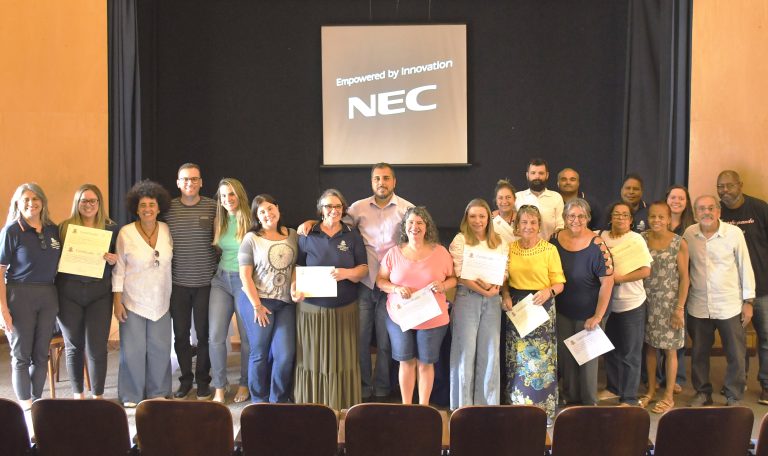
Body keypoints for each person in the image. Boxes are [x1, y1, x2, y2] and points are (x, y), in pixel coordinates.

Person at [299, 163, 413, 400]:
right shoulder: (358, 208)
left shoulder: (407, 209)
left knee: (385, 342)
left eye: (386, 178)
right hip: (364, 284)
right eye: (377, 178)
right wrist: (310, 222)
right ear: (371, 182)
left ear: (394, 181)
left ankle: (382, 388)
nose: (381, 182)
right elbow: (333, 217)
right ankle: (362, 387)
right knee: (360, 340)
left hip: (391, 286)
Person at [293, 189, 368, 409]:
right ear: (321, 209)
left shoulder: (352, 235)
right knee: (312, 358)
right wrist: (294, 288)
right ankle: (312, 403)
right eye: (328, 206)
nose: (333, 210)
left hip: (344, 309)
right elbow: (297, 266)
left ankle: (341, 403)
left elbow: (363, 269)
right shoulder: (307, 233)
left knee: (342, 359)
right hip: (311, 310)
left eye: (337, 206)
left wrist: (347, 273)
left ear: (343, 209)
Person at [377, 206, 455, 405]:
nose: (415, 226)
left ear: (427, 226)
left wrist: (443, 285)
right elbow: (380, 281)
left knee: (425, 363)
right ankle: (407, 407)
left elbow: (454, 279)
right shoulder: (394, 253)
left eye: (420, 222)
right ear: (405, 226)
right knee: (406, 361)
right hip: (400, 318)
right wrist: (395, 288)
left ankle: (423, 408)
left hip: (432, 318)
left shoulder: (441, 252)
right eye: (410, 222)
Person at [685, 195, 755, 406]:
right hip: (698, 305)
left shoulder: (734, 233)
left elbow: (745, 265)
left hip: (729, 305)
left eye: (711, 208)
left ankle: (733, 394)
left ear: (718, 211)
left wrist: (748, 302)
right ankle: (702, 392)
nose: (706, 212)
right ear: (695, 213)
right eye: (701, 208)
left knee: (736, 353)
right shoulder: (689, 234)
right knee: (699, 353)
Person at [501, 205, 565, 424]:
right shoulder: (509, 248)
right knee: (517, 360)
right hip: (516, 307)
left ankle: (542, 411)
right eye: (524, 222)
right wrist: (505, 295)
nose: (528, 226)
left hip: (541, 307)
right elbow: (504, 280)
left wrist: (549, 291)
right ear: (517, 225)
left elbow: (559, 283)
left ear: (539, 225)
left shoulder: (549, 249)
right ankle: (517, 406)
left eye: (533, 222)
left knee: (540, 362)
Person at [112, 180, 173, 407]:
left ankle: (159, 391)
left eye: (152, 204)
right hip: (133, 301)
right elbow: (118, 270)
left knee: (160, 349)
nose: (148, 209)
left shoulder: (166, 230)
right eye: (143, 205)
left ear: (159, 207)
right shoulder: (126, 233)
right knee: (133, 351)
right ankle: (131, 395)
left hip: (161, 301)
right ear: (136, 209)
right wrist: (117, 301)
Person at [0, 183, 61, 409]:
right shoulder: (11, 231)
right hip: (20, 295)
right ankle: (26, 407)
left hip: (48, 295)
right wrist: (3, 310)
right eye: (25, 199)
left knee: (41, 354)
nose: (31, 203)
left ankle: (37, 402)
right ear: (17, 203)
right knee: (21, 355)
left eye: (36, 199)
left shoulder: (53, 229)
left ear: (43, 202)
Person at [57, 184, 118, 399]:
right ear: (77, 203)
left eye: (93, 201)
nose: (89, 205)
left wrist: (114, 259)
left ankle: (98, 396)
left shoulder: (111, 229)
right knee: (73, 346)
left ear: (99, 203)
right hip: (68, 293)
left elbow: (120, 261)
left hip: (99, 294)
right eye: (84, 201)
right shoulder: (64, 228)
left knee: (97, 347)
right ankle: (78, 395)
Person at [551, 199, 613, 406]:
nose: (575, 220)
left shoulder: (598, 245)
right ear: (564, 218)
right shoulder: (554, 239)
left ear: (588, 218)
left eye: (581, 216)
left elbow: (608, 282)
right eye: (571, 216)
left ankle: (589, 406)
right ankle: (571, 402)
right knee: (567, 359)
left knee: (587, 362)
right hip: (563, 311)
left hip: (590, 313)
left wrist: (598, 316)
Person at [164, 163, 218, 400]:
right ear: (178, 183)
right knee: (181, 335)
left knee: (205, 335)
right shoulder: (168, 209)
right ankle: (185, 380)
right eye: (185, 179)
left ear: (201, 182)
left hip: (206, 283)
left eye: (194, 179)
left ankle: (203, 381)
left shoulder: (213, 207)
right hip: (178, 284)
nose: (190, 183)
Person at [448, 199, 508, 408]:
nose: (477, 220)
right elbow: (459, 273)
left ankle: (486, 406)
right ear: (466, 218)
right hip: (467, 298)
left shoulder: (499, 241)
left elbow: (505, 269)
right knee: (465, 352)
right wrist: (484, 290)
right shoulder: (460, 240)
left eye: (482, 216)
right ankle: (462, 407)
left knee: (490, 352)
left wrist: (495, 286)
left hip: (492, 301)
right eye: (472, 216)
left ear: (489, 218)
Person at [238, 194, 298, 403]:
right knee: (260, 353)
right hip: (258, 301)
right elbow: (245, 276)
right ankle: (259, 401)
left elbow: (296, 266)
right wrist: (257, 305)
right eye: (261, 212)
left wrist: (294, 285)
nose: (267, 214)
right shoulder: (251, 238)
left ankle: (277, 401)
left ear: (278, 209)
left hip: (285, 304)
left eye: (270, 208)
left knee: (285, 355)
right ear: (257, 216)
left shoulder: (292, 234)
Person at [717, 170, 768, 404]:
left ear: (741, 185)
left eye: (729, 185)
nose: (725, 190)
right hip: (732, 291)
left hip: (763, 289)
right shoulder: (716, 212)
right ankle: (739, 380)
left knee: (766, 339)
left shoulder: (759, 208)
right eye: (720, 186)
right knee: (736, 341)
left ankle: (766, 384)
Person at [600, 201, 652, 406]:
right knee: (610, 349)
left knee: (631, 353)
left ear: (631, 220)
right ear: (610, 217)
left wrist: (619, 279)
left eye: (625, 215)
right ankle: (613, 388)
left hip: (632, 304)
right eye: (616, 214)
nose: (620, 218)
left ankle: (629, 397)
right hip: (607, 304)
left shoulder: (636, 240)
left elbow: (646, 271)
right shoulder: (601, 237)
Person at [639, 201, 689, 413]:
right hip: (646, 302)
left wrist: (679, 308)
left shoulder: (679, 242)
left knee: (670, 350)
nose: (656, 220)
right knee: (650, 348)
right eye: (653, 216)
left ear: (669, 219)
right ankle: (651, 390)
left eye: (661, 217)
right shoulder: (641, 239)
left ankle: (668, 395)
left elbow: (685, 278)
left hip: (670, 305)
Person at [209, 178, 252, 403]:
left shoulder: (252, 220)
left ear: (240, 195)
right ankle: (219, 386)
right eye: (223, 195)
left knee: (246, 337)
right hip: (221, 280)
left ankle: (244, 384)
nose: (227, 199)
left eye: (231, 194)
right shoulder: (220, 220)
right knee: (216, 336)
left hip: (244, 282)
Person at [514, 158, 565, 240]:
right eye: (533, 173)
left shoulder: (556, 197)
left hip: (550, 246)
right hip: (521, 246)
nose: (537, 176)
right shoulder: (517, 197)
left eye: (541, 173)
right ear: (527, 175)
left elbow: (561, 225)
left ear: (547, 175)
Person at [492, 179, 518, 243]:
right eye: (500, 198)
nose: (504, 201)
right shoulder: (489, 219)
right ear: (496, 201)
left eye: (508, 197)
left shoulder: (521, 219)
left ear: (514, 199)